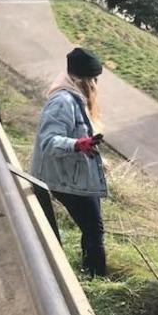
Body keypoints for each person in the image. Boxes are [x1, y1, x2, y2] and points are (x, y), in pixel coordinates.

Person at [31, 47, 107, 277]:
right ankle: (95, 276)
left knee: (92, 228)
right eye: (94, 79)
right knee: (94, 230)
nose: (96, 84)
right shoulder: (62, 101)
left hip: (72, 174)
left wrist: (92, 154)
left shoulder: (75, 98)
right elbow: (48, 141)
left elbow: (77, 134)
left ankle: (89, 269)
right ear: (83, 80)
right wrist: (77, 145)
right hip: (63, 179)